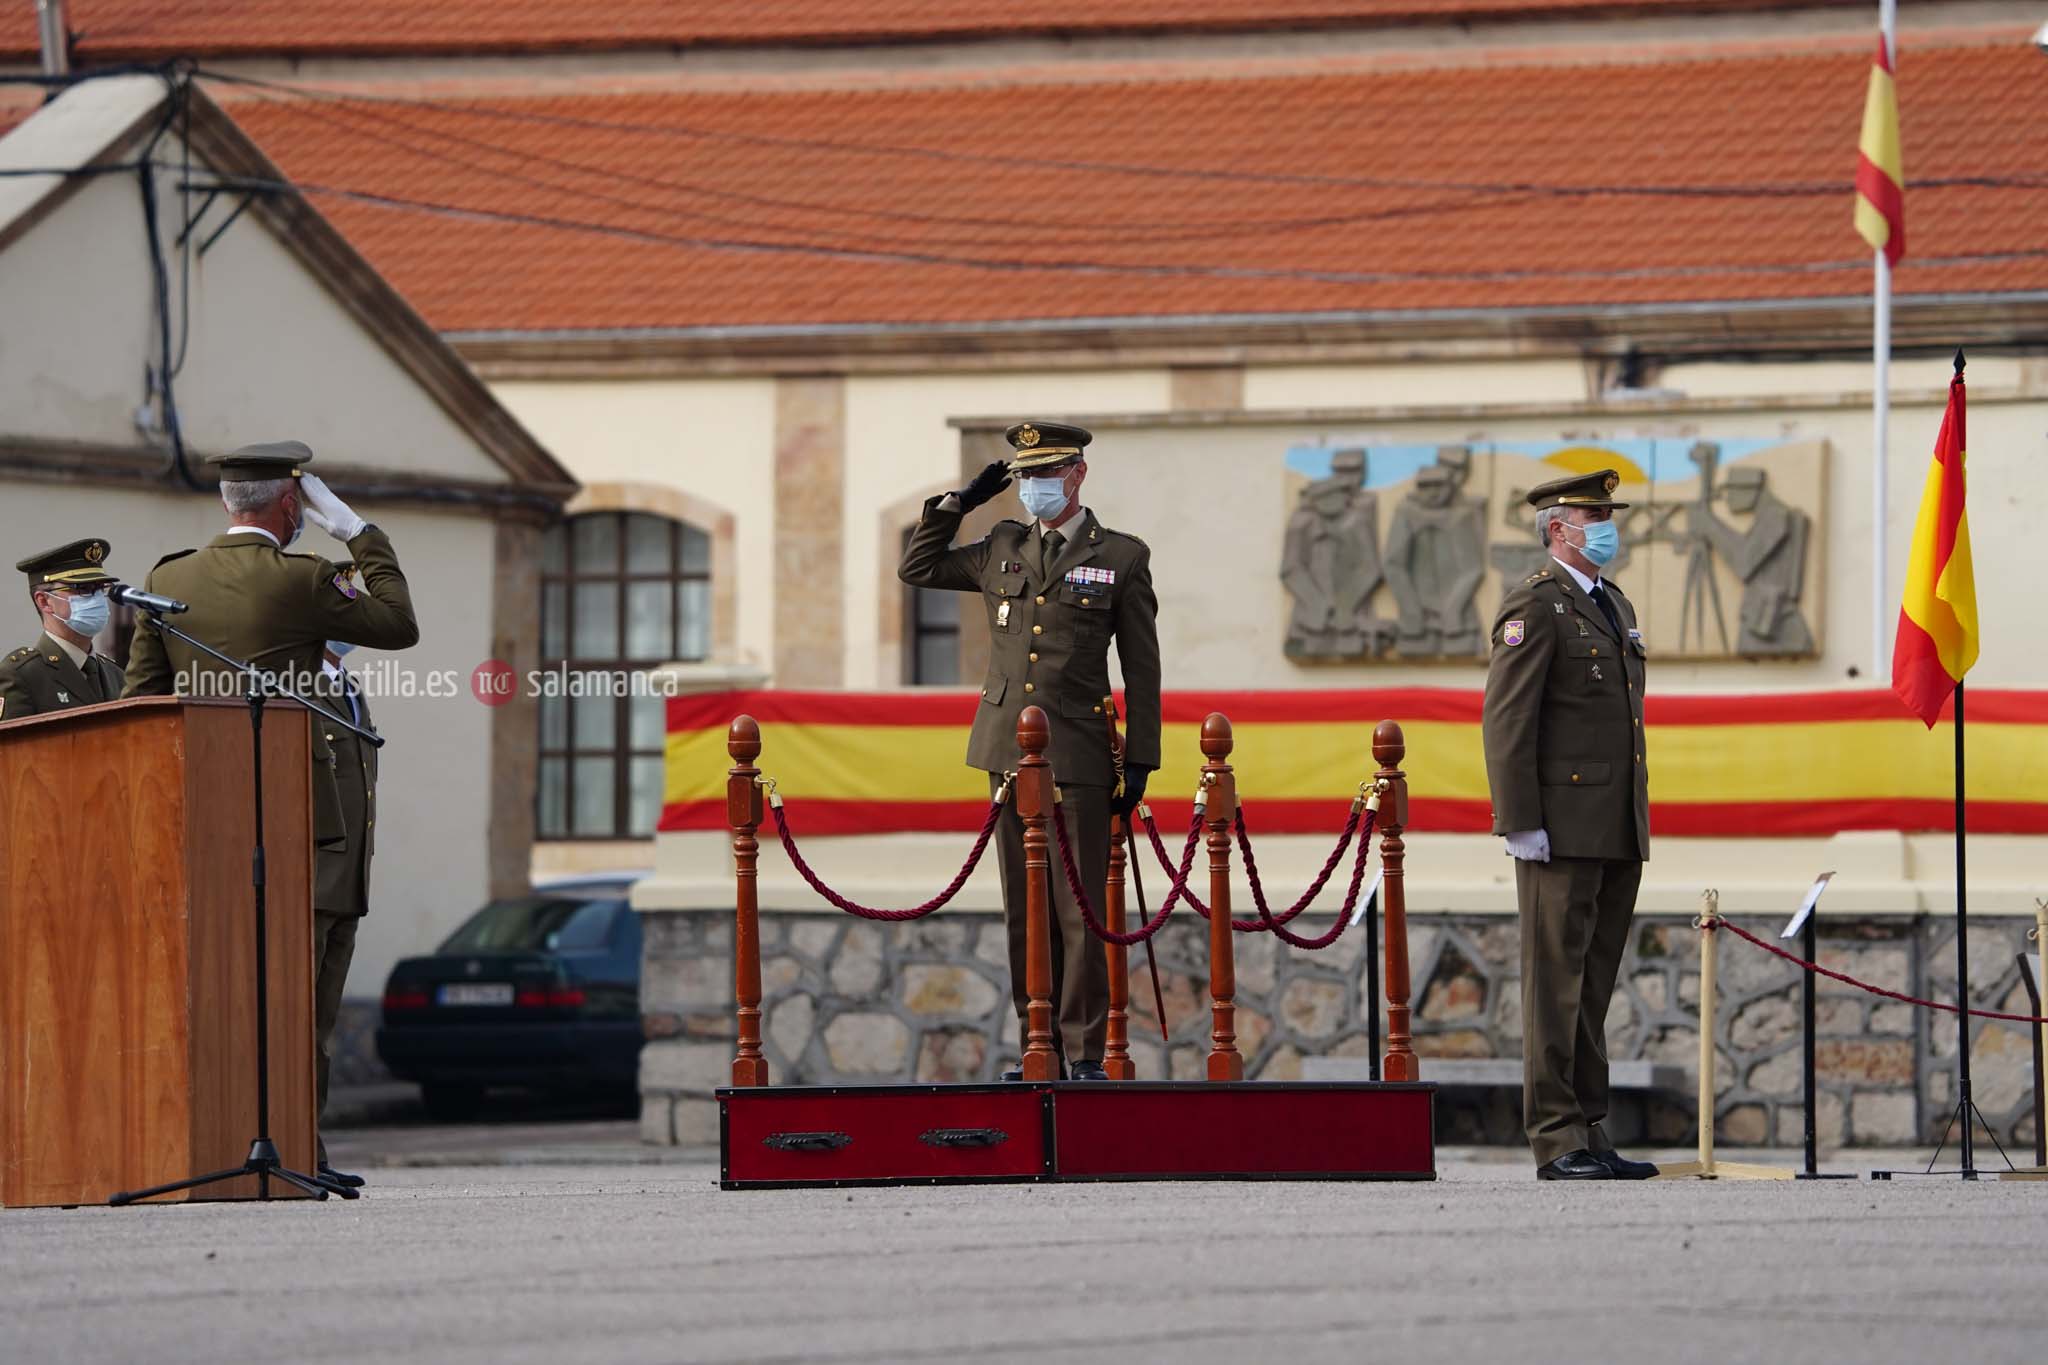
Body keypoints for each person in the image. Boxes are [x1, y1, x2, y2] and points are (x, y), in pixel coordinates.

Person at [123, 442, 418, 1187]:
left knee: (228, 995)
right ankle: (297, 1147)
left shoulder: (167, 580)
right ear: (292, 507)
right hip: (306, 826)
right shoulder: (302, 578)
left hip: (211, 826)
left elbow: (140, 708)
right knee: (304, 1002)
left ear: (228, 501)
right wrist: (356, 530)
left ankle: (245, 1146)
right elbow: (397, 620)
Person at [899, 421, 1161, 1081]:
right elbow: (918, 565)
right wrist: (960, 500)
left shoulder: (1121, 557)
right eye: (1023, 478)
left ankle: (1082, 1052)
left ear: (1076, 475)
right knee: (1025, 907)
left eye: (1045, 476)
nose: (1033, 489)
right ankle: (1036, 1043)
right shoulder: (1001, 548)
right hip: (1005, 753)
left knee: (1080, 910)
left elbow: (1143, 668)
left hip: (1078, 751)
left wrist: (1139, 760)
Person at [1481, 468, 1655, 1181]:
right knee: (1554, 985)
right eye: (1594, 516)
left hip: (1613, 821)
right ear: (1559, 529)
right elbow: (1508, 717)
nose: (1608, 526)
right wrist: (1520, 820)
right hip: (1558, 825)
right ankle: (1556, 1138)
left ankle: (1589, 1126)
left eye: (1609, 514)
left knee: (1592, 986)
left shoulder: (1611, 602)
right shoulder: (1535, 605)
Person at [309, 573, 379, 1187]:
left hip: (347, 882)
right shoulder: (297, 683)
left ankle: (312, 1145)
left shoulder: (346, 686)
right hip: (309, 882)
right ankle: (297, 1145)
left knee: (322, 1028)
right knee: (297, 1021)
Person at [0, 539, 125, 719]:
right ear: (44, 601)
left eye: (99, 588)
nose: (96, 598)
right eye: (82, 588)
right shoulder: (22, 675)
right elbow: (12, 747)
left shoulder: (116, 675)